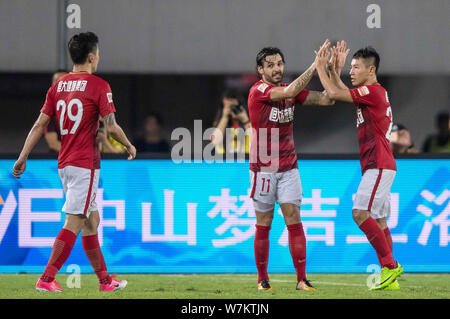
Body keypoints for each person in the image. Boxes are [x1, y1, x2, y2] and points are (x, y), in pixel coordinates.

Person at [12, 31, 136, 292]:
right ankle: (46, 278)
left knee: (92, 221)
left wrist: (23, 156)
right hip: (84, 164)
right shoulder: (99, 86)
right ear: (91, 57)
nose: (99, 59)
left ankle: (105, 281)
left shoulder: (58, 87)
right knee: (76, 220)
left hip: (65, 163)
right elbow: (111, 128)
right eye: (99, 55)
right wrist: (128, 145)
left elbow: (39, 125)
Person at [315, 40, 403, 290]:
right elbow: (342, 90)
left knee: (359, 213)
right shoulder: (371, 93)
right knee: (380, 220)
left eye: (355, 67)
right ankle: (391, 279)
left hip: (378, 164)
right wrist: (335, 71)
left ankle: (389, 266)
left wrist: (321, 67)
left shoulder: (372, 92)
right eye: (350, 67)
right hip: (380, 165)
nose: (351, 71)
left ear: (371, 70)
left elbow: (333, 93)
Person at [248, 41, 335, 291]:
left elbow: (327, 100)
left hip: (288, 168)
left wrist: (329, 70)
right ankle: (262, 280)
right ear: (260, 70)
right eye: (270, 65)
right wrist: (314, 65)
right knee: (264, 222)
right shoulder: (259, 91)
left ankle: (301, 280)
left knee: (294, 219)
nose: (277, 68)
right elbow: (289, 92)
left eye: (279, 64)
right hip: (263, 169)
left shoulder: (289, 90)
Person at [211, 89, 251, 154]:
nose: (232, 110)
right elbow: (214, 142)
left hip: (245, 159)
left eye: (234, 107)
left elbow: (256, 143)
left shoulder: (250, 121)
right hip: (225, 160)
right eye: (228, 107)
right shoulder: (221, 122)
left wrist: (245, 120)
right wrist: (224, 117)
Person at [44, 70, 68, 153]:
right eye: (57, 81)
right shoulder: (49, 112)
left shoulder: (81, 108)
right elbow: (53, 144)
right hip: (57, 159)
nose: (60, 84)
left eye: (65, 81)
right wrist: (75, 155)